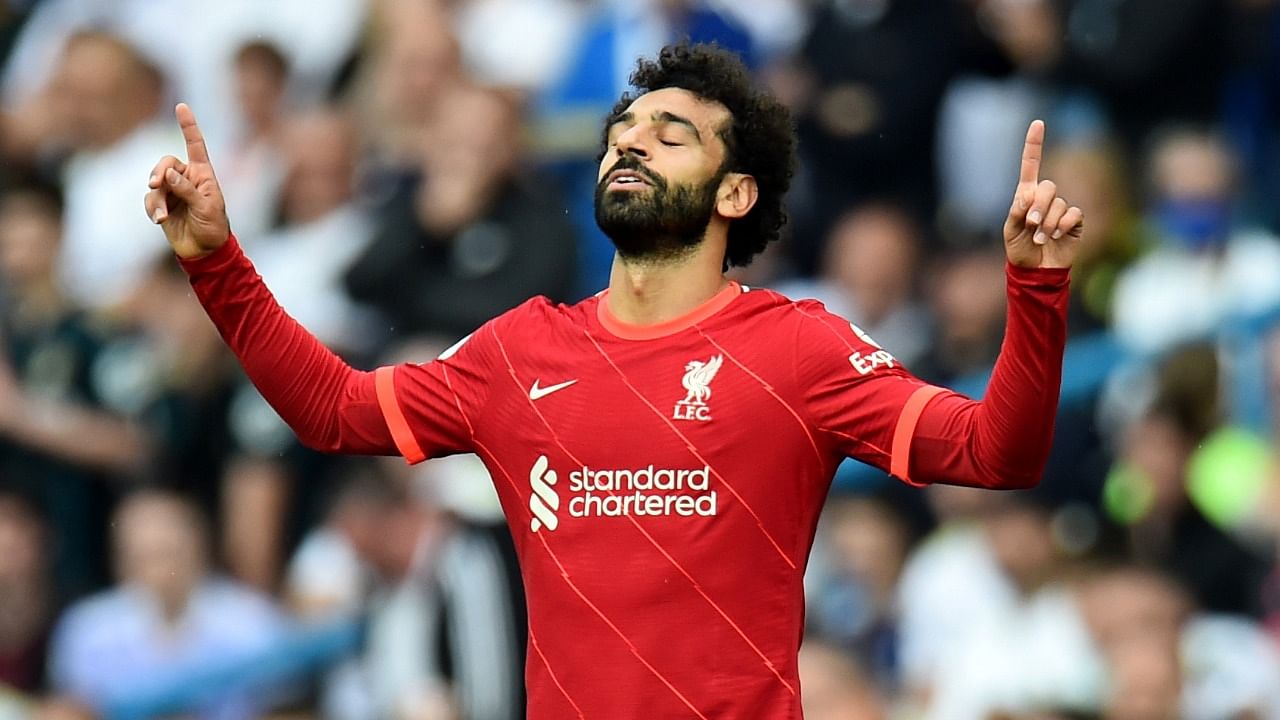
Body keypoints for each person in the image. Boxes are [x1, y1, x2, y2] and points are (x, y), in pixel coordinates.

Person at [144, 43, 1083, 720]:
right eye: (622, 130)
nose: (630, 144)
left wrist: (1035, 291)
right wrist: (216, 261)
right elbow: (333, 410)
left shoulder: (802, 349)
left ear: (735, 193)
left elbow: (998, 453)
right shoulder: (520, 351)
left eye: (671, 134)